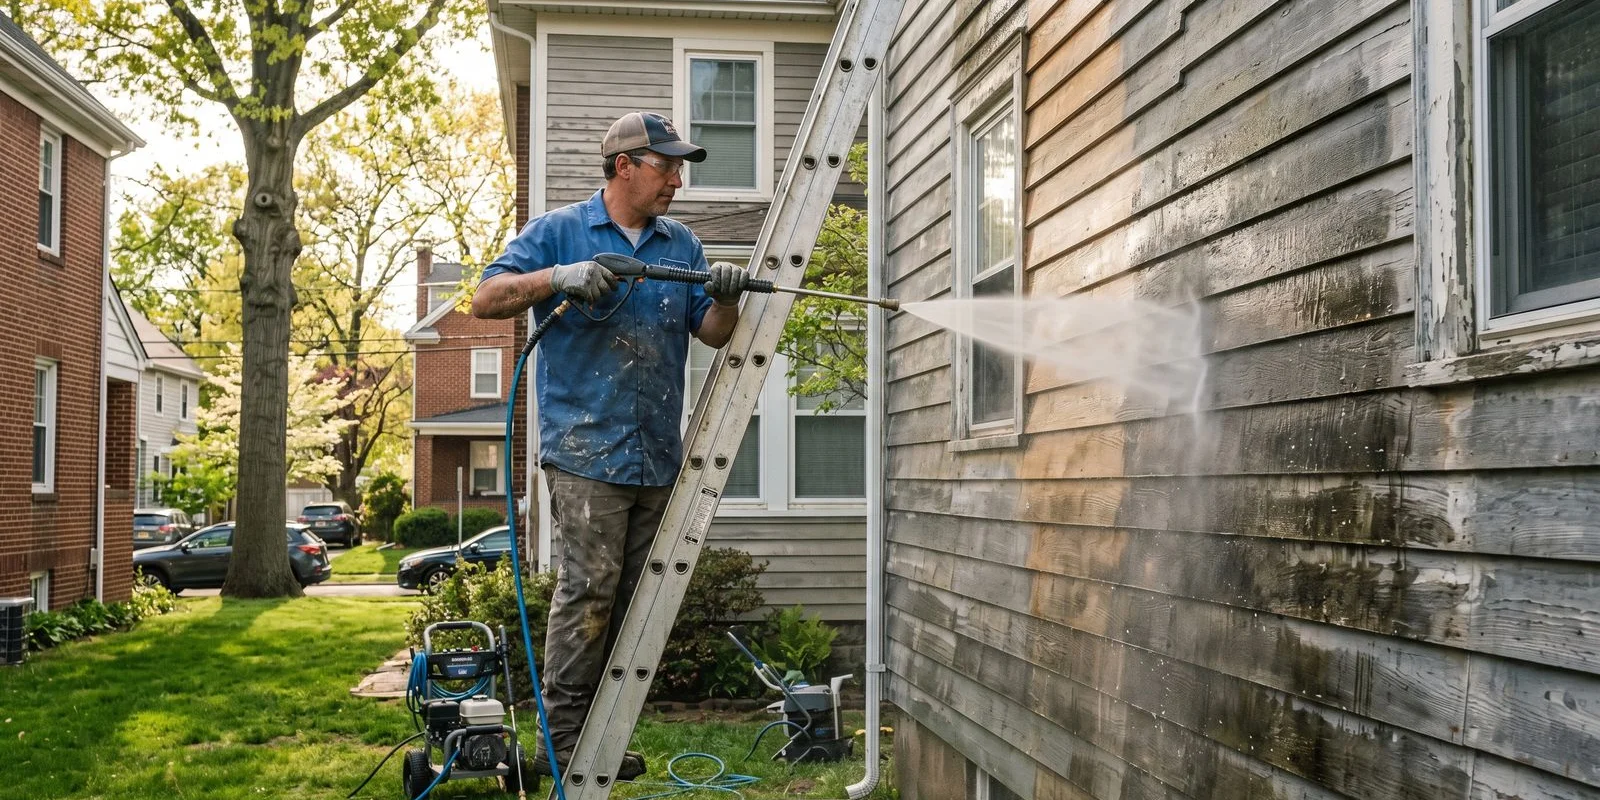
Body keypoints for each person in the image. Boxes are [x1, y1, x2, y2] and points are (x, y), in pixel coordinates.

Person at [472, 111, 751, 780]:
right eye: (667, 166)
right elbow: (484, 300)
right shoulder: (558, 233)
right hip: (584, 451)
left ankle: (604, 737)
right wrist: (557, 278)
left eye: (681, 169)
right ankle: (562, 745)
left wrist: (728, 298)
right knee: (589, 592)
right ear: (625, 165)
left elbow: (709, 332)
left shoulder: (679, 244)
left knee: (635, 603)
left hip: (657, 451)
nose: (678, 180)